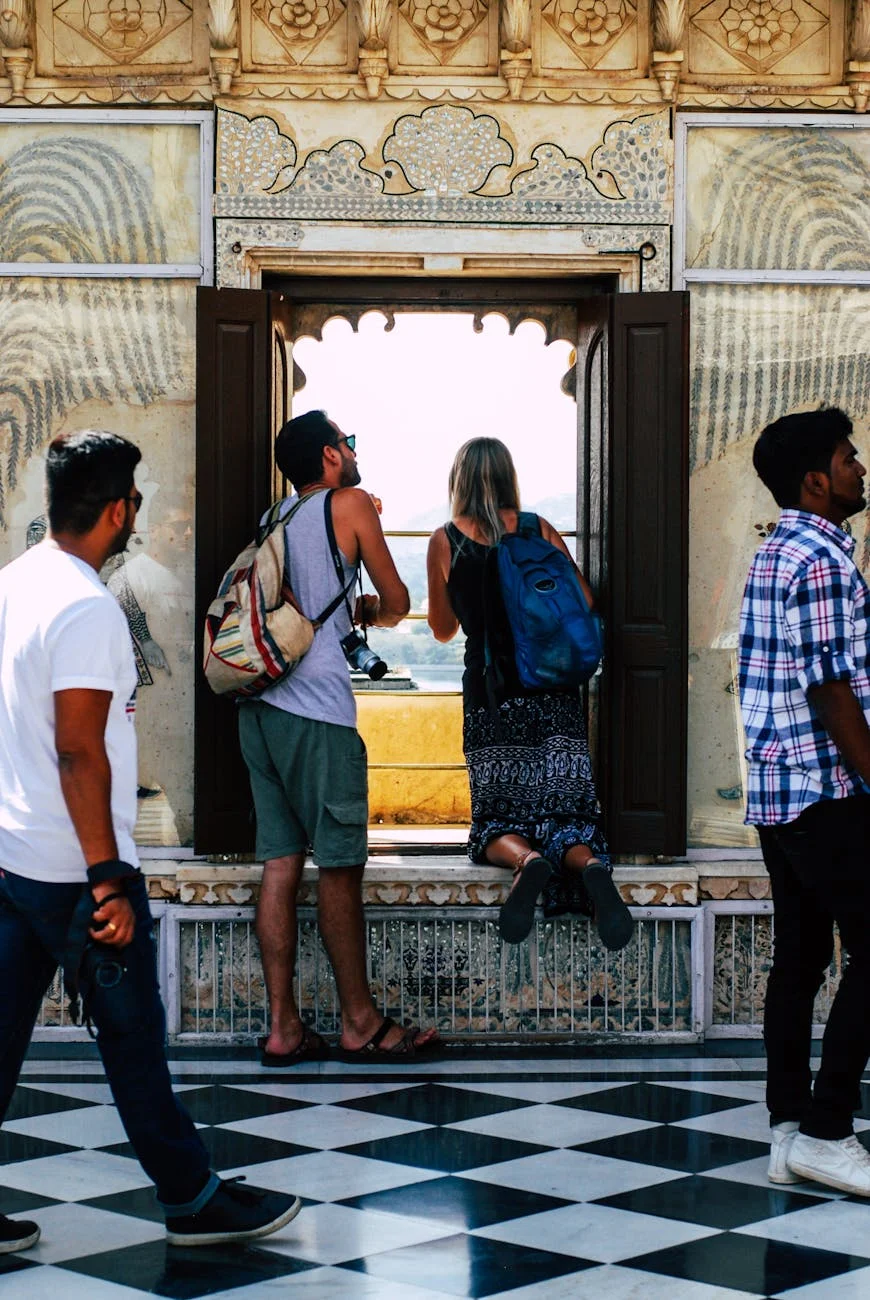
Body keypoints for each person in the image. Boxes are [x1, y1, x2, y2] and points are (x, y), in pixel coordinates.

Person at [0, 429, 301, 1255]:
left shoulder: (13, 584)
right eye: (136, 499)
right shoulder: (88, 607)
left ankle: (190, 1190)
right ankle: (191, 1198)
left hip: (12, 857)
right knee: (133, 1041)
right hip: (74, 871)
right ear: (118, 508)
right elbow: (78, 749)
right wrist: (106, 881)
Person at [238, 410, 438, 1065]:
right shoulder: (349, 504)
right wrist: (370, 610)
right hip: (318, 715)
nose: (352, 454)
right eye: (347, 445)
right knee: (340, 869)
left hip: (259, 709)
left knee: (279, 864)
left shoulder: (275, 517)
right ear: (329, 456)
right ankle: (359, 1022)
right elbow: (399, 598)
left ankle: (283, 1027)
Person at [426, 437, 632, 949]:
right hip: (554, 692)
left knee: (497, 819)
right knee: (567, 813)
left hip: (493, 698)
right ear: (508, 476)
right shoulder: (539, 529)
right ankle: (587, 866)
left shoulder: (445, 539)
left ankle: (527, 861)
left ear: (459, 482)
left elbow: (442, 628)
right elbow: (583, 600)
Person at [738, 406, 870, 1196]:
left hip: (779, 788)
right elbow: (830, 687)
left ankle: (788, 1130)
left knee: (800, 958)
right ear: (815, 480)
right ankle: (827, 1131)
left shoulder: (776, 551)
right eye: (850, 458)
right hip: (825, 788)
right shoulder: (819, 559)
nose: (860, 469)